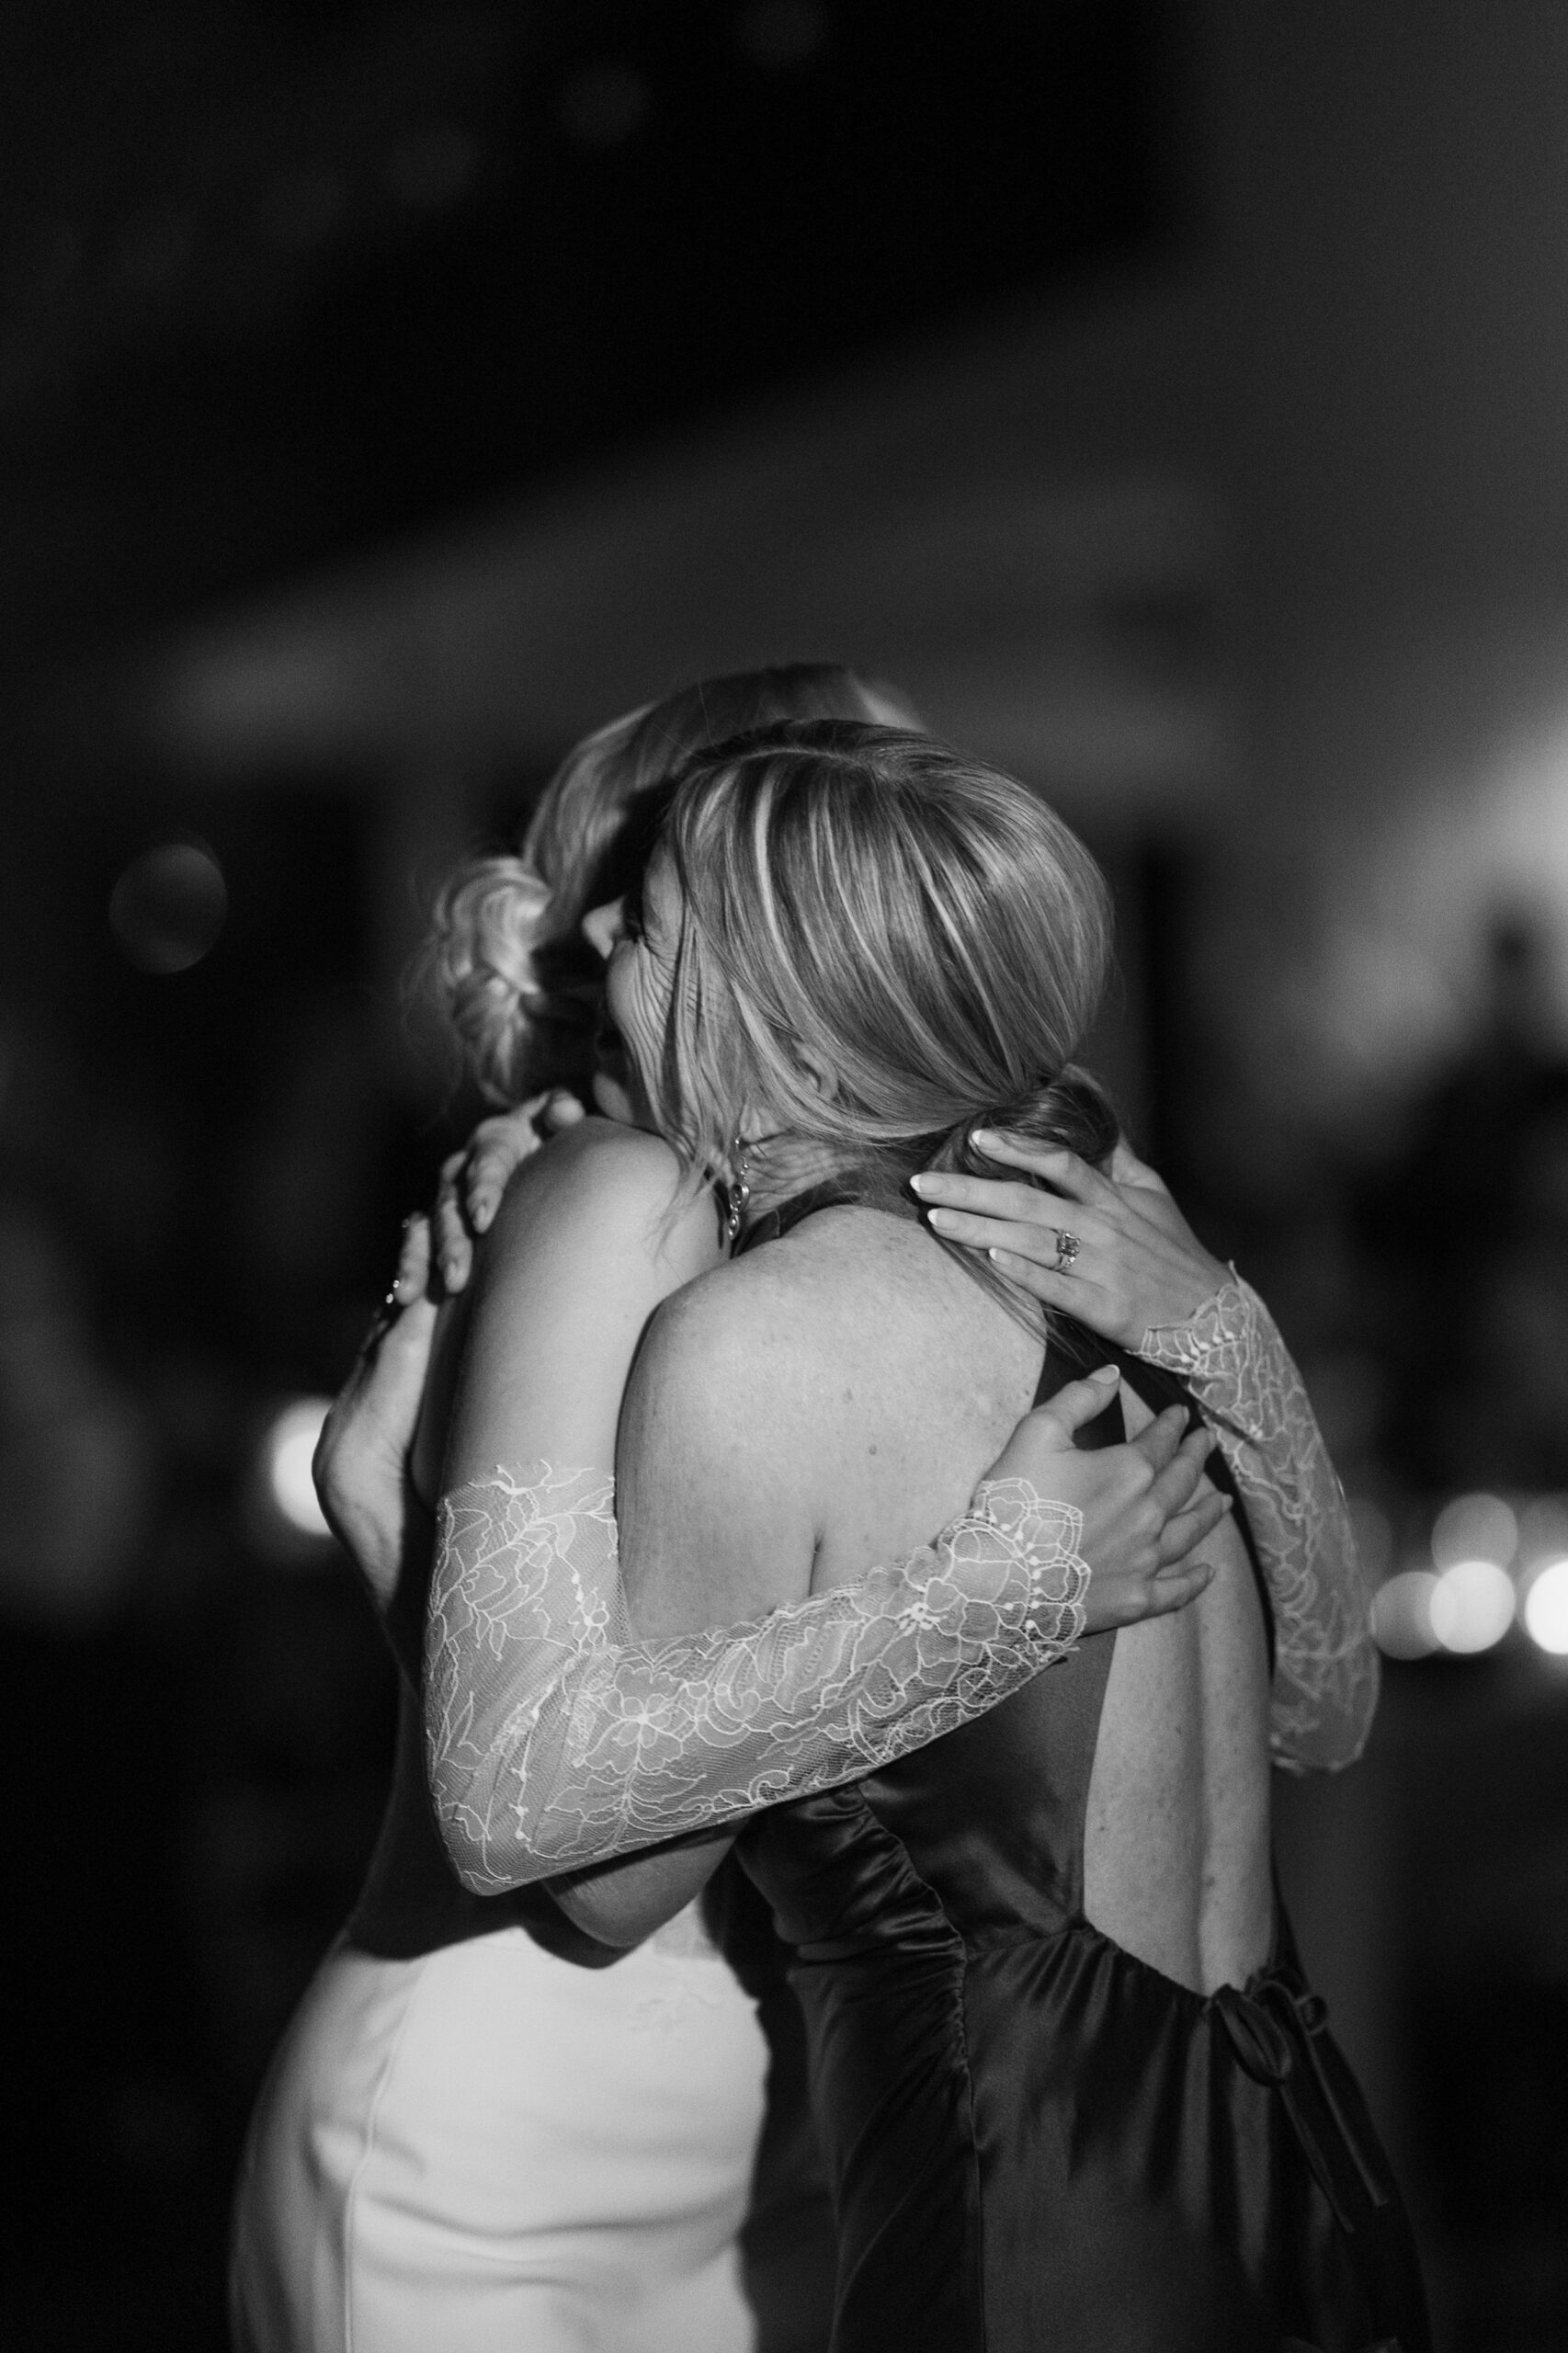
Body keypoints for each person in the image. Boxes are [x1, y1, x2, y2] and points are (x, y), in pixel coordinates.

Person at [231, 668, 1226, 2353]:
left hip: (796, 2110)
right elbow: (555, 1827)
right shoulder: (611, 1190)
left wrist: (1219, 1330)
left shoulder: (928, 1225)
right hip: (523, 2113)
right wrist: (995, 1595)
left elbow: (1285, 1702)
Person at [424, 720, 1430, 2351]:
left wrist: (988, 1600)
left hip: (1044, 2230)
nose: (597, 935)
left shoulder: (755, 1345)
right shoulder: (1113, 1266)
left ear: (799, 1052)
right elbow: (1325, 1713)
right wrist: (1232, 1341)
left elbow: (577, 1869)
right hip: (1303, 2178)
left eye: (653, 924)